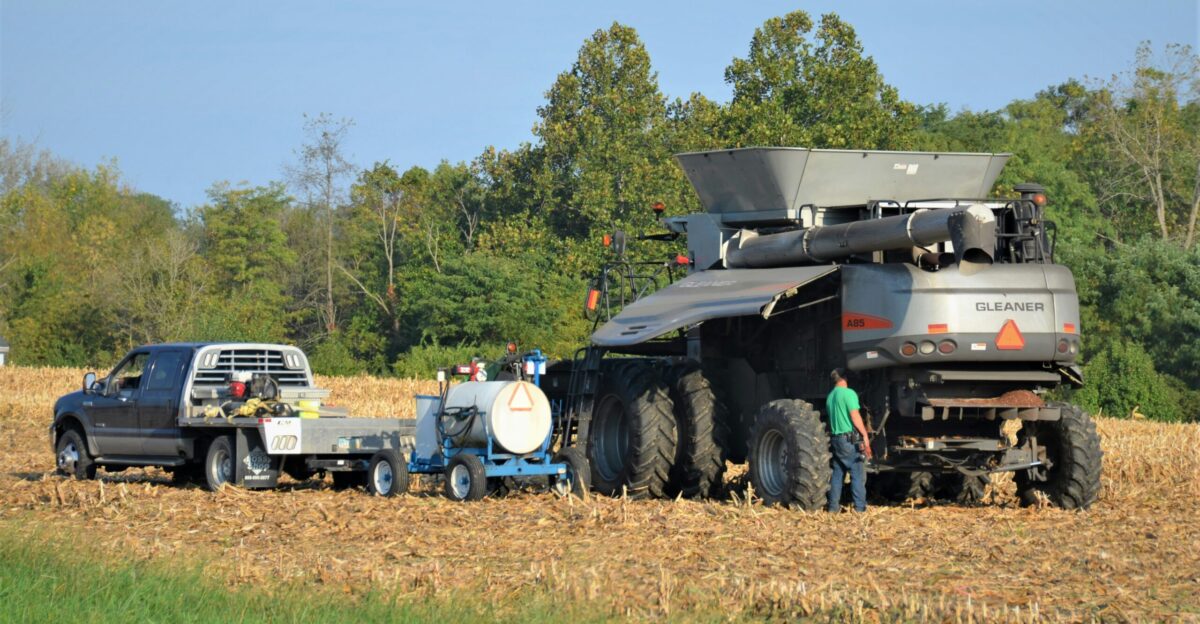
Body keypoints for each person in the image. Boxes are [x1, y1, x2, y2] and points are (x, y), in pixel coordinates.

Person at [826, 368, 872, 512]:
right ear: (845, 378)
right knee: (857, 472)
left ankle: (833, 508)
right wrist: (864, 435)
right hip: (848, 440)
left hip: (835, 439)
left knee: (838, 474)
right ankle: (860, 509)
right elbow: (855, 416)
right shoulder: (849, 393)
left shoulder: (830, 396)